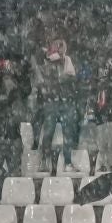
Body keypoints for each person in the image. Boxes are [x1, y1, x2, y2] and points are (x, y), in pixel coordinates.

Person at [30, 39, 81, 174]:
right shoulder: (46, 67)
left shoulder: (67, 61)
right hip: (51, 102)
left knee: (68, 132)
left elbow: (71, 78)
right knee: (48, 131)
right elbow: (43, 84)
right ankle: (45, 160)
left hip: (65, 102)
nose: (56, 63)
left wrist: (62, 79)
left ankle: (68, 162)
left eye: (58, 60)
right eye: (54, 61)